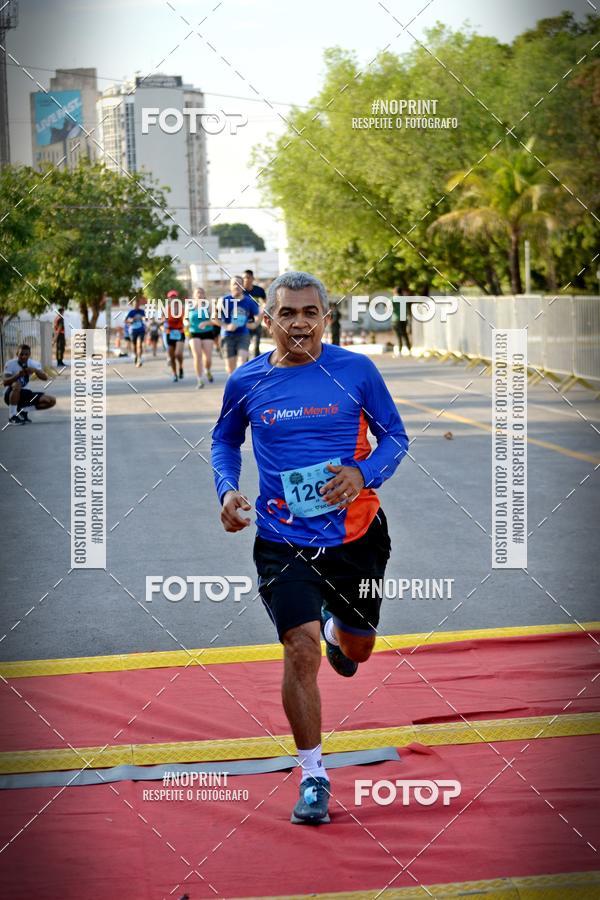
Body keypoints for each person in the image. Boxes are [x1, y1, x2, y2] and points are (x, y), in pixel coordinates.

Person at [212, 271, 408, 826]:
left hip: (356, 539)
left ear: (325, 316)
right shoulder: (246, 381)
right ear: (267, 319)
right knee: (299, 649)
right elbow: (225, 439)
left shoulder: (356, 371)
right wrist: (227, 490)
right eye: (287, 313)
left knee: (358, 650)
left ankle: (335, 630)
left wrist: (362, 472)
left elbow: (396, 436)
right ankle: (314, 775)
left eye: (309, 312)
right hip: (281, 540)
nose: (299, 322)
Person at [219, 275, 262, 375]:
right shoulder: (224, 300)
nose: (237, 286)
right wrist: (226, 326)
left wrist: (254, 324)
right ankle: (233, 386)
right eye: (234, 284)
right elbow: (214, 317)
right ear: (230, 286)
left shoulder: (249, 301)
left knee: (241, 364)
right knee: (230, 368)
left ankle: (240, 388)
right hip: (227, 336)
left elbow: (258, 315)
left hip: (243, 335)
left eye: (239, 284)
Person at [3, 344, 56, 424]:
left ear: (29, 355)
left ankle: (23, 410)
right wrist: (18, 375)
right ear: (17, 354)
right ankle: (12, 416)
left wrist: (35, 370)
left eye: (26, 354)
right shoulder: (10, 364)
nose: (24, 356)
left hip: (26, 394)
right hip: (10, 394)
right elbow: (5, 382)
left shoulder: (33, 363)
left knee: (51, 400)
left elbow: (45, 378)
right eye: (21, 354)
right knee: (17, 384)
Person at [186, 287, 219, 388]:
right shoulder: (189, 306)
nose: (199, 295)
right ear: (194, 296)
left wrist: (206, 322)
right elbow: (185, 319)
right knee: (197, 356)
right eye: (197, 293)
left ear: (204, 295)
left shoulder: (209, 306)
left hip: (207, 332)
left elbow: (215, 321)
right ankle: (199, 380)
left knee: (208, 358)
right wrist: (186, 323)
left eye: (201, 293)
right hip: (193, 333)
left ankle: (207, 370)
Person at [242, 269, 267, 358]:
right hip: (244, 323)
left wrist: (262, 310)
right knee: (245, 346)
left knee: (256, 345)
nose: (246, 280)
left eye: (248, 277)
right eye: (244, 278)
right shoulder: (240, 291)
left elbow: (265, 303)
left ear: (252, 278)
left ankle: (255, 366)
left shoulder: (259, 290)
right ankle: (245, 366)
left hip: (257, 321)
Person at [164, 290, 185, 382]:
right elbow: (162, 321)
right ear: (168, 299)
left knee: (178, 354)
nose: (173, 298)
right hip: (169, 333)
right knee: (171, 356)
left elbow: (185, 319)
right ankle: (174, 374)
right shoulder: (165, 309)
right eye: (171, 297)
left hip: (180, 332)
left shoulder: (182, 308)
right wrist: (162, 326)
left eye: (174, 297)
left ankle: (180, 367)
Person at [125, 299, 147, 367]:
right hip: (133, 330)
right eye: (135, 304)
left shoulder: (142, 311)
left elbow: (146, 318)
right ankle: (136, 356)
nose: (136, 306)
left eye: (137, 304)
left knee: (139, 344)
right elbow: (126, 320)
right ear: (133, 305)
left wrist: (144, 318)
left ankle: (139, 359)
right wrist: (131, 320)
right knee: (134, 345)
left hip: (141, 330)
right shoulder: (131, 312)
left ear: (139, 305)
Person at [391, 286, 412, 355]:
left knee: (398, 336)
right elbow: (407, 309)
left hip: (395, 319)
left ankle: (400, 351)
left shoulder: (392, 299)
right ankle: (409, 350)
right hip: (403, 319)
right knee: (405, 335)